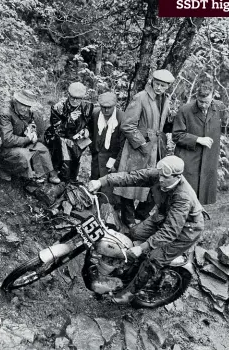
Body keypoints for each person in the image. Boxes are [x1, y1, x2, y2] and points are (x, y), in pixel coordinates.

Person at [87, 155, 205, 303]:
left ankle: (128, 294)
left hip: (187, 230)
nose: (160, 179)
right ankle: (124, 272)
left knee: (153, 258)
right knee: (133, 233)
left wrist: (143, 247)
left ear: (177, 177)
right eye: (160, 174)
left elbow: (171, 231)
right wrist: (101, 181)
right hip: (163, 215)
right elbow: (131, 177)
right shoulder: (160, 175)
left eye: (165, 177)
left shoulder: (182, 196)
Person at [172, 79, 229, 204]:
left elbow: (228, 127)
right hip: (189, 159)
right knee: (185, 194)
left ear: (213, 96)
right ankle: (183, 219)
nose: (204, 105)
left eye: (207, 102)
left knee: (202, 196)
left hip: (208, 159)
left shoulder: (219, 107)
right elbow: (176, 135)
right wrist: (198, 139)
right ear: (196, 97)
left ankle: (196, 219)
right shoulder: (185, 110)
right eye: (201, 102)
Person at [115, 69, 175, 227]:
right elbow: (127, 125)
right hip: (136, 149)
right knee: (129, 184)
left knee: (154, 183)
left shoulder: (166, 100)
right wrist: (141, 144)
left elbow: (163, 124)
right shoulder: (140, 97)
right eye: (157, 84)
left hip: (156, 149)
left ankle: (141, 215)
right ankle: (127, 221)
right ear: (152, 81)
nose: (159, 88)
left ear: (168, 86)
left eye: (163, 85)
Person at [0, 90, 60, 184]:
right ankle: (3, 169)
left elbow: (31, 122)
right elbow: (7, 140)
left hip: (20, 143)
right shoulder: (5, 113)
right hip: (4, 149)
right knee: (24, 155)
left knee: (41, 148)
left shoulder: (25, 111)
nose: (26, 109)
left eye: (28, 106)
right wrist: (28, 139)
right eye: (23, 105)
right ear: (16, 101)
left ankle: (40, 175)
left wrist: (32, 129)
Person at [44, 82, 94, 183]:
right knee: (65, 156)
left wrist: (87, 130)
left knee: (75, 160)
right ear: (68, 95)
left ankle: (71, 179)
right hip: (59, 136)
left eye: (78, 98)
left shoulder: (88, 106)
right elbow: (57, 130)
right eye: (72, 98)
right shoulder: (58, 107)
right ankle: (56, 174)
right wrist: (69, 120)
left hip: (78, 138)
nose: (75, 101)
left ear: (82, 98)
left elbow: (90, 123)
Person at [88, 92, 124, 202]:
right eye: (103, 107)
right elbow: (89, 133)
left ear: (115, 105)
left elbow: (124, 145)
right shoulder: (94, 114)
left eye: (109, 108)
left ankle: (108, 212)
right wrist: (93, 149)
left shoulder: (122, 118)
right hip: (97, 157)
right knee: (94, 186)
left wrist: (116, 163)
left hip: (112, 159)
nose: (106, 111)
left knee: (108, 192)